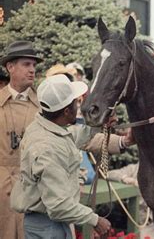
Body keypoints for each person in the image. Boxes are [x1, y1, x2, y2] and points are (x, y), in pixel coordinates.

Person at [10, 74, 111, 238]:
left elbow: (70, 137)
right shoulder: (47, 149)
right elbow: (58, 206)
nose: (78, 106)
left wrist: (96, 126)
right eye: (76, 103)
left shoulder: (44, 127)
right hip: (48, 227)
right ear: (66, 111)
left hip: (48, 224)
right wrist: (95, 220)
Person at [0, 40, 43, 239]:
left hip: (35, 192)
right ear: (10, 67)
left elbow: (72, 137)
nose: (32, 70)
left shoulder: (46, 106)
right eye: (26, 64)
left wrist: (120, 143)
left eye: (34, 65)